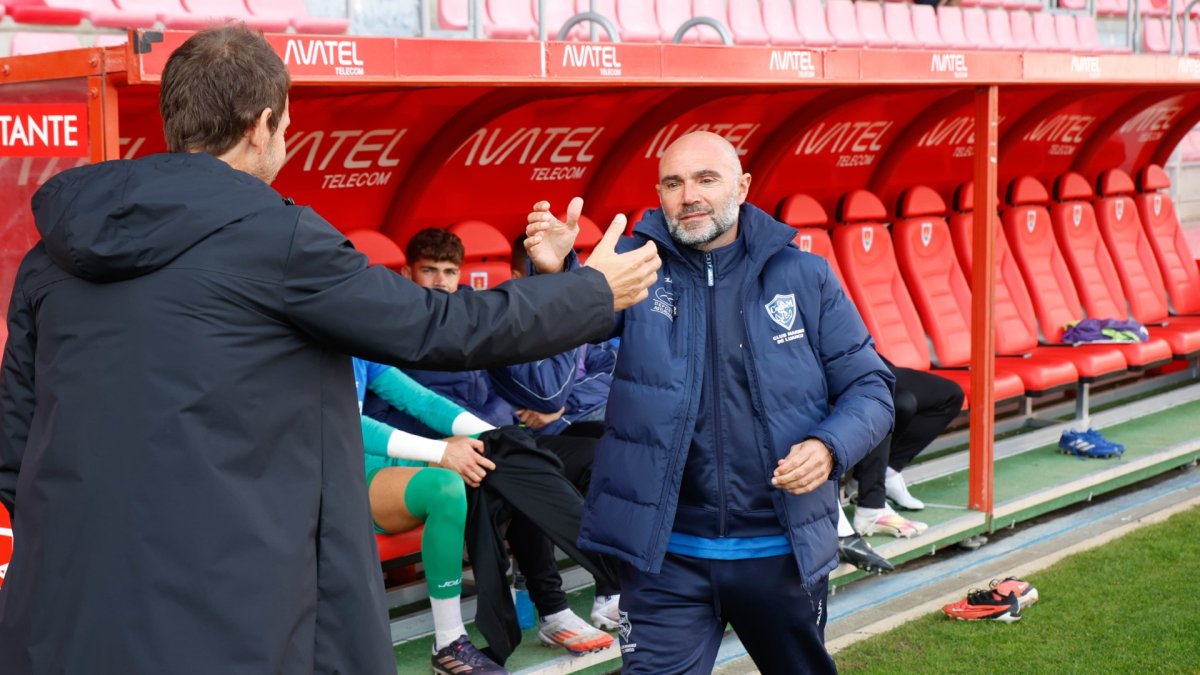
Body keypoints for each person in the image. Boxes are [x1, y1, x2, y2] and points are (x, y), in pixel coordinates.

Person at [0, 26, 659, 675]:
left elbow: (16, 445)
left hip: (63, 610)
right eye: (286, 128)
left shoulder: (51, 254)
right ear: (261, 125)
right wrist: (589, 291)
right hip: (227, 615)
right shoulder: (274, 238)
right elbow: (441, 327)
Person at [525, 131, 895, 674]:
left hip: (780, 550)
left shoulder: (804, 276)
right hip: (664, 558)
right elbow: (543, 377)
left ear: (742, 186)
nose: (689, 195)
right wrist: (557, 281)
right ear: (659, 194)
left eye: (706, 179)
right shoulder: (633, 271)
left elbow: (871, 387)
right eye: (673, 183)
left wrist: (828, 446)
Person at [367, 229, 620, 648]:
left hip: (491, 439)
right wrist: (444, 446)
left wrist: (543, 413)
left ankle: (610, 588)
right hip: (430, 457)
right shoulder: (391, 328)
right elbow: (396, 410)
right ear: (407, 272)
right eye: (429, 270)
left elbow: (529, 383)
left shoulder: (472, 317)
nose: (440, 281)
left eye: (449, 271)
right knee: (513, 471)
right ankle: (554, 610)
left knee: (583, 455)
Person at [353, 357, 506, 675]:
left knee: (487, 454)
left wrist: (498, 436)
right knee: (446, 486)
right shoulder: (302, 337)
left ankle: (550, 607)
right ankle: (449, 640)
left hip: (367, 456)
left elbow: (421, 401)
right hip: (324, 474)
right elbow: (339, 423)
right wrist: (440, 453)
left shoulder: (351, 340)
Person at [511, 234, 616, 439]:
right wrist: (555, 407)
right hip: (551, 432)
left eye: (558, 274)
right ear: (517, 278)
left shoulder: (579, 316)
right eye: (540, 274)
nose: (553, 285)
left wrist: (565, 405)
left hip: (590, 411)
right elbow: (529, 398)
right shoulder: (508, 329)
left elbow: (613, 372)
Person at [850, 362, 964, 538]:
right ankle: (871, 509)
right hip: (832, 369)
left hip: (864, 356)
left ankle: (886, 471)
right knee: (893, 401)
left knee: (951, 395)